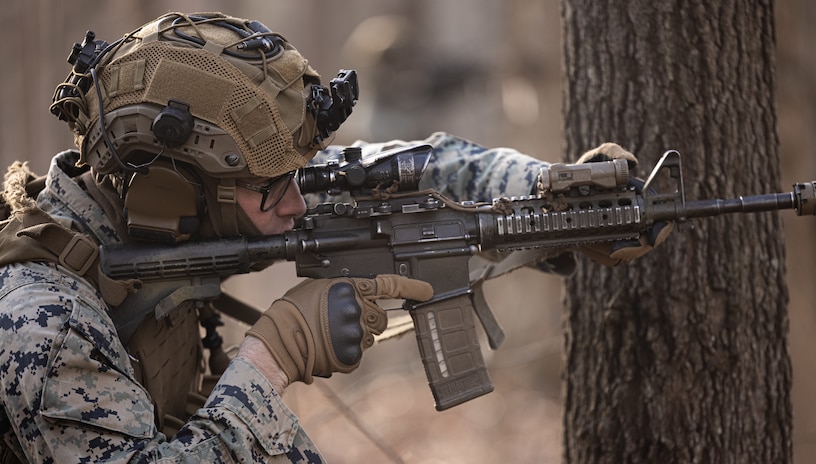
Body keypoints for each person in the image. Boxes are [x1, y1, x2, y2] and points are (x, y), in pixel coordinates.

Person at [0, 12, 667, 463]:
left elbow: (411, 170)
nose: (299, 200)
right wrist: (273, 357)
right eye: (273, 189)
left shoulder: (169, 201)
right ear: (172, 189)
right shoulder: (41, 321)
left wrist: (549, 194)